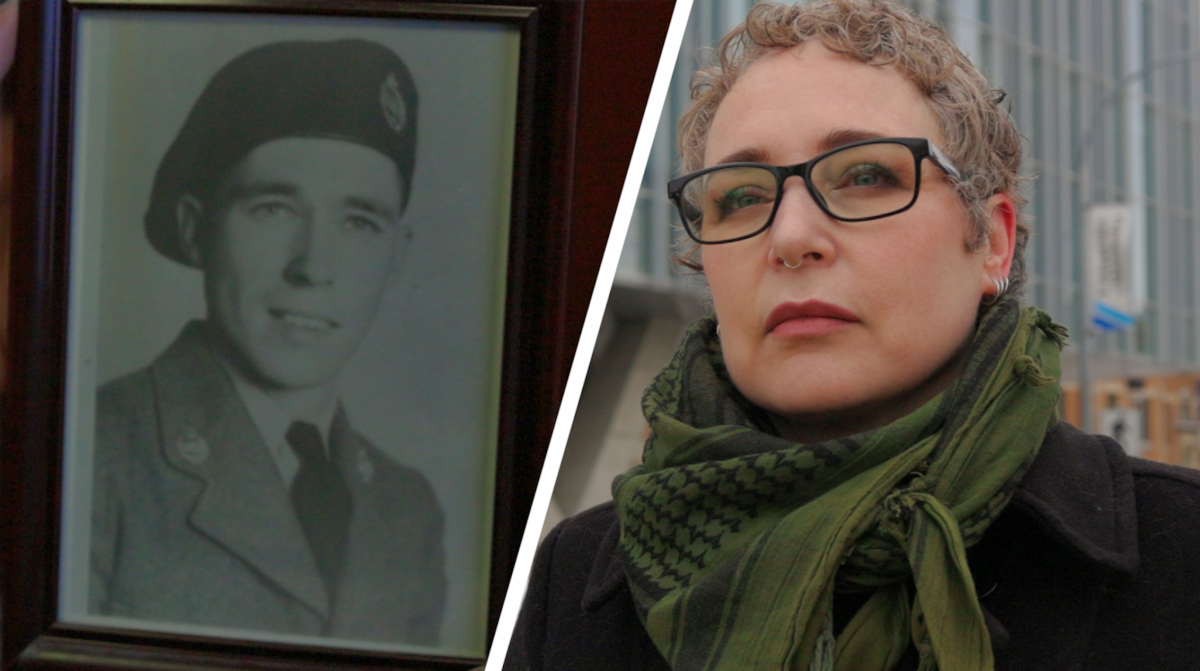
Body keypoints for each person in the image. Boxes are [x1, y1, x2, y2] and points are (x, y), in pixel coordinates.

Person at [505, 1, 1200, 669]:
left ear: (991, 241)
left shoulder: (1181, 558)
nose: (792, 237)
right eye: (742, 194)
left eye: (866, 175)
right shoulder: (571, 589)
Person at [89, 39, 445, 645]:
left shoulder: (406, 508)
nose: (313, 266)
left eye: (359, 222)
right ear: (194, 229)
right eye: (273, 209)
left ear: (397, 256)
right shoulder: (92, 450)